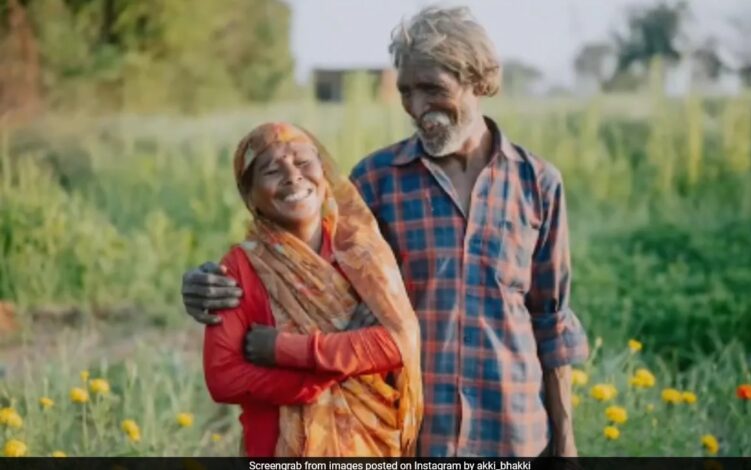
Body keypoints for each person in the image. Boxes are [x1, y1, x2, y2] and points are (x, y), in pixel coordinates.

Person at [184, 6, 588, 457]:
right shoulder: (375, 182)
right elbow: (302, 273)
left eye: (432, 88)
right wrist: (207, 284)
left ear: (478, 81)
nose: (417, 108)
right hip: (412, 434)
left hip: (515, 432)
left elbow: (552, 322)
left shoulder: (537, 183)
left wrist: (566, 445)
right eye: (406, 92)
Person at [201, 122, 423, 457]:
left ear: (324, 172)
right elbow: (224, 377)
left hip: (372, 445)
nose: (293, 176)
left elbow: (398, 343)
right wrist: (317, 381)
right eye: (272, 170)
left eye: (304, 163)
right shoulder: (239, 268)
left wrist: (286, 350)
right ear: (251, 197)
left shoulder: (362, 255)